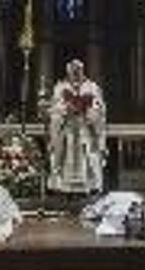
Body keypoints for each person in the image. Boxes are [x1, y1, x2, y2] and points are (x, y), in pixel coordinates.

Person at [48, 59, 106, 194]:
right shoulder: (60, 87)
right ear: (68, 72)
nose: (75, 73)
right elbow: (55, 108)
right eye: (73, 70)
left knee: (88, 155)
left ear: (82, 70)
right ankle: (64, 188)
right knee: (63, 155)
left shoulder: (92, 87)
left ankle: (90, 186)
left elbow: (100, 108)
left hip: (85, 128)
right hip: (67, 128)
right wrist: (65, 109)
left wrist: (89, 111)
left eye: (78, 70)